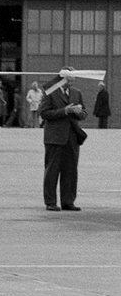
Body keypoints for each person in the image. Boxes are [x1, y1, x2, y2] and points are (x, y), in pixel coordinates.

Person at [40, 69, 87, 211]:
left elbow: (84, 114)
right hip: (54, 138)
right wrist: (64, 111)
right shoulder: (50, 91)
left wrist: (80, 112)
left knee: (71, 171)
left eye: (73, 80)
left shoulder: (77, 93)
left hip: (72, 138)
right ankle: (51, 202)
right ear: (62, 79)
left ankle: (68, 201)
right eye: (69, 80)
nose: (71, 83)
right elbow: (44, 113)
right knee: (52, 170)